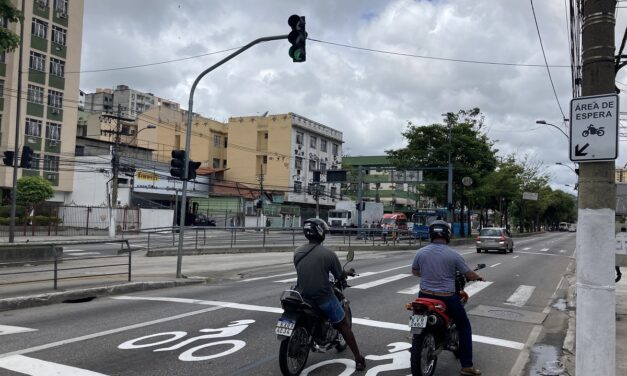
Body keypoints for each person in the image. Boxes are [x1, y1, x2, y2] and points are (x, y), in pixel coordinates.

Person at [411, 220, 484, 376]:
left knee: (417, 318)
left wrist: (430, 276)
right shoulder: (454, 255)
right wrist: (478, 277)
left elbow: (415, 271)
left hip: (423, 296)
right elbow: (468, 274)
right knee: (464, 326)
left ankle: (416, 338)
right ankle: (466, 366)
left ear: (431, 234)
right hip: (447, 298)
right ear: (447, 235)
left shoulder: (421, 252)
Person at [294, 218, 366, 372]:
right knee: (343, 325)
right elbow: (339, 275)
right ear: (320, 233)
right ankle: (358, 359)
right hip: (322, 298)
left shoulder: (297, 252)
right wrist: (347, 273)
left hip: (301, 296)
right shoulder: (329, 254)